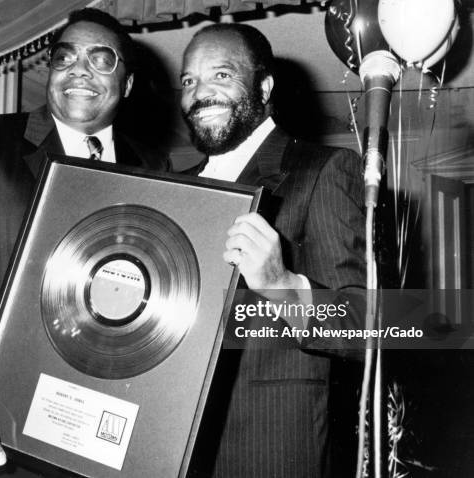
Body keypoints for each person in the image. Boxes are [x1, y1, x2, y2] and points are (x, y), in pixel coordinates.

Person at [0, 8, 167, 478]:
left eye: (101, 59)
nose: (78, 70)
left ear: (127, 84)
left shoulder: (155, 168)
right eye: (64, 58)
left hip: (101, 439)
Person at [180, 23, 366, 477]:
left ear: (263, 88)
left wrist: (281, 285)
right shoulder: (173, 188)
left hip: (266, 446)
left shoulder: (324, 170)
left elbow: (365, 326)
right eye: (189, 81)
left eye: (221, 76)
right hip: (168, 440)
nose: (200, 93)